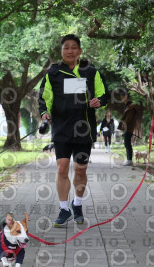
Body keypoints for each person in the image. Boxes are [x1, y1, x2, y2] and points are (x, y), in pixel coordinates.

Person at [38, 34, 108, 226]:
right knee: (61, 168)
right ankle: (63, 209)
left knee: (80, 169)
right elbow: (44, 97)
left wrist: (99, 101)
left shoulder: (91, 72)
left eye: (74, 47)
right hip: (61, 128)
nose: (70, 51)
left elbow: (103, 94)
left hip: (84, 129)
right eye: (66, 47)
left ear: (80, 51)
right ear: (61, 51)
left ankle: (77, 205)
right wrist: (44, 112)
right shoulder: (53, 73)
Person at [117, 91, 142, 166]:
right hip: (127, 127)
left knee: (127, 143)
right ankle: (129, 159)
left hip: (129, 127)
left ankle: (129, 160)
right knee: (127, 143)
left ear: (126, 97)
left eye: (122, 97)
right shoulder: (127, 105)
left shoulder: (131, 106)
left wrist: (124, 124)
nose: (121, 98)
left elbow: (129, 117)